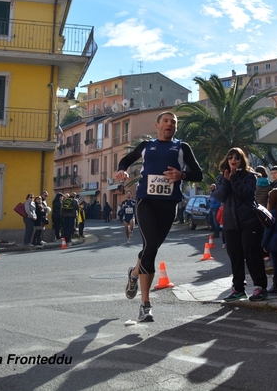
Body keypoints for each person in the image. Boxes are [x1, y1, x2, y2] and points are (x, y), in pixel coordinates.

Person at [115, 111, 203, 323]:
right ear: (157, 125)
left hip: (169, 204)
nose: (170, 124)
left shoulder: (182, 148)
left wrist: (182, 175)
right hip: (146, 202)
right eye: (166, 121)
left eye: (173, 122)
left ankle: (134, 273)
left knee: (150, 247)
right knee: (151, 248)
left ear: (175, 128)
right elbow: (126, 159)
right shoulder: (147, 146)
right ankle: (145, 305)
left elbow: (198, 173)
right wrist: (122, 171)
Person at [214, 147, 268, 302]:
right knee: (235, 256)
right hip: (230, 223)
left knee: (252, 253)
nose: (233, 160)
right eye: (230, 157)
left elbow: (248, 194)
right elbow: (220, 196)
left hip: (248, 222)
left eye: (237, 157)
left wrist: (234, 179)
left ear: (241, 160)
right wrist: (226, 180)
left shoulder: (250, 176)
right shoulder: (222, 177)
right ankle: (238, 288)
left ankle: (260, 287)